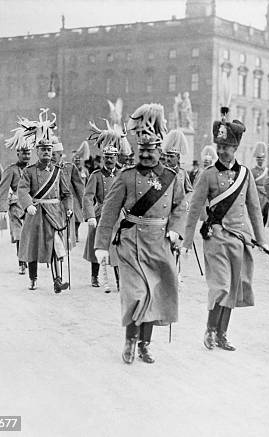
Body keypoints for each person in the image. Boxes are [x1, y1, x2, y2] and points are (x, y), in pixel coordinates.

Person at [94, 103, 188, 364]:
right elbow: (109, 213)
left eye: (151, 150)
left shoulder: (172, 177)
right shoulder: (125, 177)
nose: (146, 155)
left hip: (160, 243)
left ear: (159, 149)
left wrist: (176, 232)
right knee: (136, 294)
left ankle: (145, 344)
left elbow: (182, 207)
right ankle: (129, 340)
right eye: (142, 150)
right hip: (131, 244)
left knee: (155, 296)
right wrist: (101, 245)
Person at [183, 107, 267, 352]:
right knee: (220, 286)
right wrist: (187, 242)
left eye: (226, 147)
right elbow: (194, 209)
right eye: (219, 146)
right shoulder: (208, 175)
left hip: (239, 239)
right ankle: (210, 330)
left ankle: (222, 334)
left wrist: (261, 239)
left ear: (235, 148)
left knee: (234, 287)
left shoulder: (245, 174)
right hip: (216, 237)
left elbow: (254, 209)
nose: (221, 151)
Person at [10, 109, 73, 292]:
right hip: (36, 214)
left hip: (54, 215)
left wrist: (68, 208)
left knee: (56, 248)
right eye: (43, 149)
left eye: (49, 149)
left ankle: (58, 280)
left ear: (52, 151)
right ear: (37, 151)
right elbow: (22, 190)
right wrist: (28, 204)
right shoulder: (29, 171)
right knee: (33, 247)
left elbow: (67, 194)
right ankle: (33, 278)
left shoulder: (58, 171)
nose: (46, 152)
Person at [83, 121, 122, 291]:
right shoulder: (96, 175)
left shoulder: (122, 174)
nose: (110, 160)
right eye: (107, 157)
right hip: (100, 213)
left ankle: (120, 279)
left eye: (112, 157)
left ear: (117, 158)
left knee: (118, 246)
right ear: (103, 158)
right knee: (97, 244)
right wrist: (90, 215)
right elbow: (88, 196)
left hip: (118, 215)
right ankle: (94, 275)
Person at [0, 133, 32, 274]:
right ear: (18, 153)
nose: (26, 156)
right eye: (23, 153)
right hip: (16, 208)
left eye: (29, 153)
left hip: (31, 206)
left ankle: (29, 260)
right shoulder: (11, 170)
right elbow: (3, 189)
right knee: (20, 235)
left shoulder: (33, 169)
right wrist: (2, 208)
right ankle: (22, 262)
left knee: (30, 235)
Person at [52, 136, 84, 244]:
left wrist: (84, 202)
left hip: (68, 200)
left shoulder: (69, 167)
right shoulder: (46, 169)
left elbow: (79, 186)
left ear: (60, 155)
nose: (51, 157)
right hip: (53, 203)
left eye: (54, 155)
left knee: (73, 221)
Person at [163, 129, 193, 196]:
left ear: (178, 158)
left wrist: (186, 203)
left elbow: (190, 192)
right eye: (167, 156)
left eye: (171, 156)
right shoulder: (161, 171)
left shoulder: (183, 173)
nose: (168, 159)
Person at [251, 142, 269, 225]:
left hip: (265, 197)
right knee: (257, 216)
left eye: (262, 158)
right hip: (257, 196)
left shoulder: (267, 171)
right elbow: (251, 185)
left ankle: (262, 227)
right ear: (256, 159)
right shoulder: (252, 171)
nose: (260, 160)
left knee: (267, 213)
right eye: (258, 158)